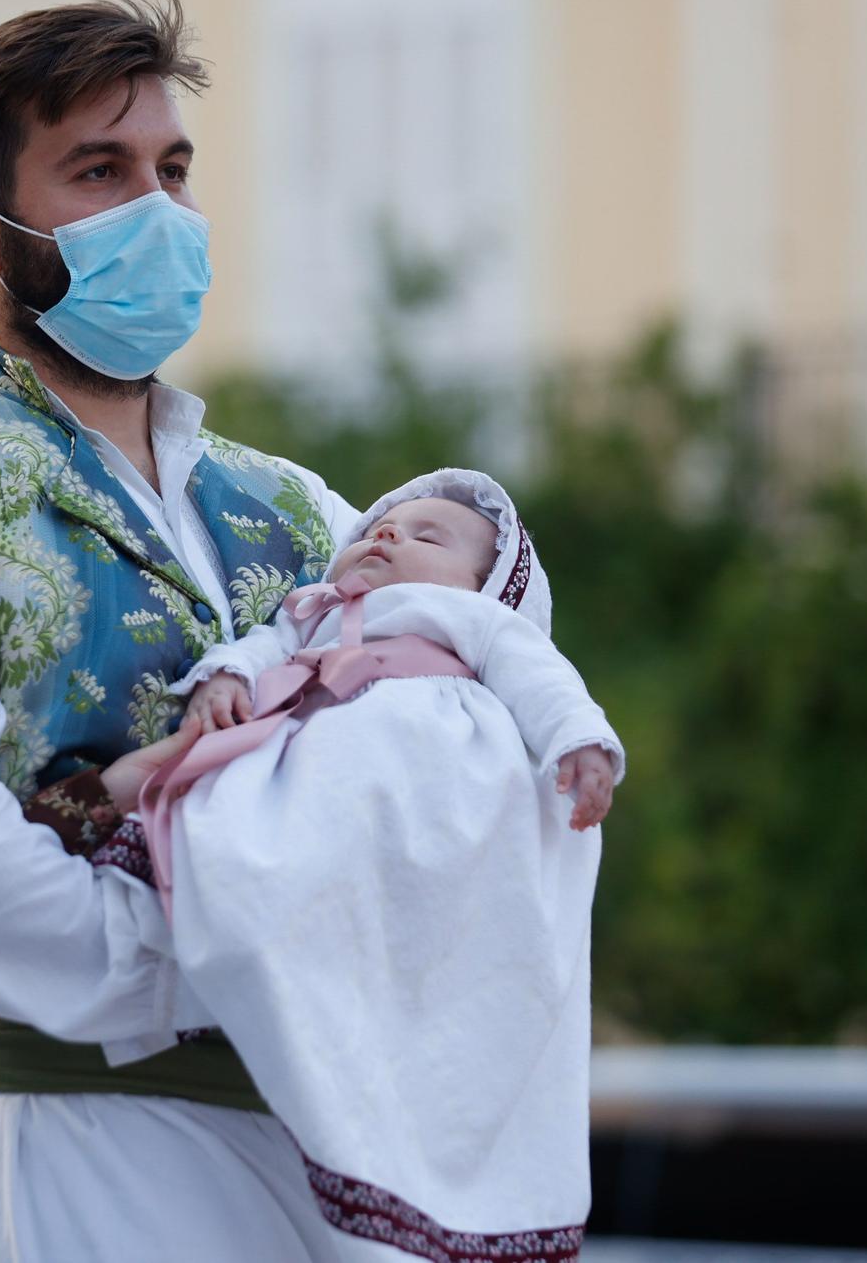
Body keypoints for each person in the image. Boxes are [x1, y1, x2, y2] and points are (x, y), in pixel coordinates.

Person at [0, 0, 369, 1260]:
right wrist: (184, 969)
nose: (155, 210)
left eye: (171, 169)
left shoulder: (298, 508)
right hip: (74, 1115)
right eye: (98, 171)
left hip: (334, 1135)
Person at [103, 468, 622, 1261]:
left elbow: (543, 679)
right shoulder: (309, 613)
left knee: (393, 867)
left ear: (490, 585)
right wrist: (225, 679)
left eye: (426, 535)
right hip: (318, 759)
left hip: (425, 764)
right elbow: (253, 649)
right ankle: (226, 954)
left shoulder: (472, 625)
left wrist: (579, 744)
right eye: (380, 526)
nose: (387, 536)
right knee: (246, 850)